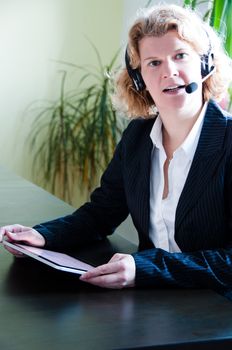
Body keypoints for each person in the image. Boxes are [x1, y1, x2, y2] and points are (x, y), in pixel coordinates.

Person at [1, 4, 232, 297]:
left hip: (218, 310)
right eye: (153, 63)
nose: (169, 72)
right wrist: (43, 235)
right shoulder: (138, 137)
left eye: (180, 56)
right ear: (139, 80)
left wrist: (145, 267)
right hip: (159, 301)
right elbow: (101, 214)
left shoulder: (228, 141)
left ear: (205, 63)